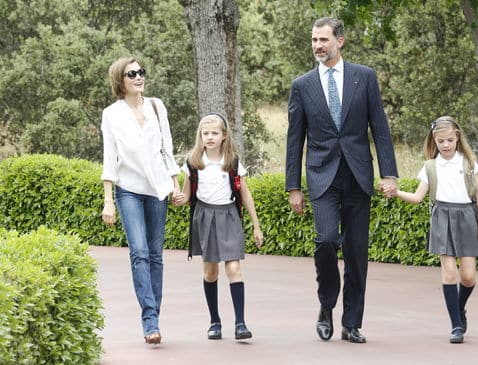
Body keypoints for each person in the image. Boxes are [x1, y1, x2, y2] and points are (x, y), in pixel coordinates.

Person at [285, 17, 398, 344]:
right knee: (325, 240)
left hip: (358, 175)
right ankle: (326, 306)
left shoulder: (364, 77)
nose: (318, 46)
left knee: (356, 252)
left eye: (323, 40)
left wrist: (388, 174)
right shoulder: (302, 85)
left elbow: (380, 128)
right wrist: (294, 186)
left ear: (340, 41)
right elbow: (295, 140)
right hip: (321, 177)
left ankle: (351, 323)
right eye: (314, 40)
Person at [386, 116, 478, 344]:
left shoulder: (468, 162)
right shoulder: (430, 166)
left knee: (469, 277)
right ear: (434, 141)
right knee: (450, 273)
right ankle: (456, 326)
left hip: (467, 217)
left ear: (457, 138)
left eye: (450, 140)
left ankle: (459, 309)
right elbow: (417, 197)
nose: (445, 145)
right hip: (442, 217)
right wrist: (396, 192)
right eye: (441, 141)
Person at [101, 56, 181, 345]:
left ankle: (153, 318)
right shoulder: (111, 114)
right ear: (119, 81)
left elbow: (166, 150)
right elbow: (110, 157)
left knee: (156, 256)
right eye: (131, 73)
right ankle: (150, 319)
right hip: (128, 190)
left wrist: (175, 185)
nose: (138, 77)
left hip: (157, 190)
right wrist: (108, 200)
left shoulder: (157, 106)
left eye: (140, 72)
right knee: (139, 253)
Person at [173, 113, 264, 341]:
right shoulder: (193, 162)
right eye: (206, 133)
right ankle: (215, 322)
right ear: (200, 137)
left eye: (215, 133)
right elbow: (186, 195)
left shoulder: (232, 161)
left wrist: (256, 225)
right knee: (210, 272)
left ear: (224, 136)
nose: (210, 137)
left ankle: (240, 323)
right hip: (204, 216)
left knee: (234, 269)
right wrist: (177, 198)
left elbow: (245, 193)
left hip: (229, 215)